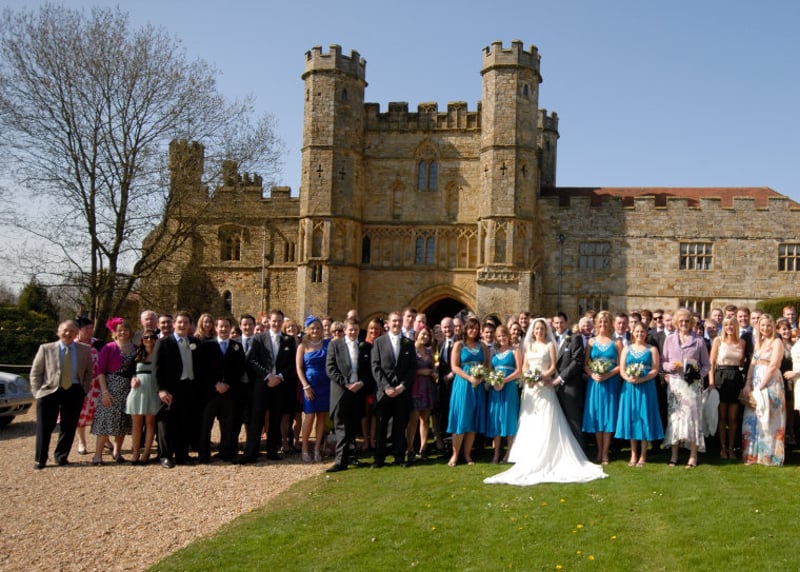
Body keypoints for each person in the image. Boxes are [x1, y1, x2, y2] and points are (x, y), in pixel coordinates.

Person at [484, 317, 607, 486]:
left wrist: (541, 377)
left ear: (545, 330)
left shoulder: (550, 345)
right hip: (530, 390)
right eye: (536, 329)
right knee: (530, 420)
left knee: (546, 420)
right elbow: (525, 366)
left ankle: (549, 454)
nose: (539, 331)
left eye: (542, 329)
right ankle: (529, 455)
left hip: (545, 386)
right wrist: (528, 378)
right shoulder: (528, 345)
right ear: (533, 331)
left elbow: (552, 367)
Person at [30, 320, 94, 469]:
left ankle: (61, 456)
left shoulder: (84, 350)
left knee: (69, 426)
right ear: (59, 332)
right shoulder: (46, 348)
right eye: (65, 330)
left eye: (72, 331)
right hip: (50, 391)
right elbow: (35, 372)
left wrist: (84, 390)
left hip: (74, 390)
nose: (68, 333)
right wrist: (37, 392)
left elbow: (88, 372)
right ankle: (40, 459)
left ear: (76, 333)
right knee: (44, 427)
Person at [243, 309, 297, 462]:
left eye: (279, 321)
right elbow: (252, 360)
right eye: (274, 321)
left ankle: (272, 451)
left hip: (279, 385)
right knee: (257, 419)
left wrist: (280, 377)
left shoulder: (289, 340)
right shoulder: (259, 338)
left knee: (275, 418)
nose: (277, 323)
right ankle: (251, 452)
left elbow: (291, 363)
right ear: (269, 321)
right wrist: (267, 376)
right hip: (262, 384)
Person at [152, 311, 202, 468]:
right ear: (174, 324)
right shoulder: (164, 343)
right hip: (170, 389)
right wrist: (161, 390)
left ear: (190, 325)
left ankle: (182, 455)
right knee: (166, 424)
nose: (182, 325)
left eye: (186, 322)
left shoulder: (195, 342)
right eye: (180, 322)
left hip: (188, 387)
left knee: (185, 422)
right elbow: (156, 368)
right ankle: (166, 456)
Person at [661, 308, 710, 468]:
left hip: (692, 386)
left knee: (692, 420)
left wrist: (698, 375)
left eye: (687, 321)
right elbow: (663, 361)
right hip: (675, 384)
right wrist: (669, 367)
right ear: (676, 322)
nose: (684, 324)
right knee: (675, 419)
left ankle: (693, 455)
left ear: (691, 322)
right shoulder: (669, 339)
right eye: (681, 321)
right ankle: (674, 455)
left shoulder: (699, 341)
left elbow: (706, 365)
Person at [198, 317, 246, 463]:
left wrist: (228, 384)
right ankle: (204, 454)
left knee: (227, 424)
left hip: (228, 392)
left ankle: (225, 452)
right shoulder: (207, 345)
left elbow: (240, 368)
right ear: (216, 328)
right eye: (221, 326)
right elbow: (202, 368)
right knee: (206, 424)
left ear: (230, 328)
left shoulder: (236, 346)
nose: (224, 329)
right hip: (211, 392)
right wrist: (215, 384)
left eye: (226, 326)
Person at [615, 322, 663, 466]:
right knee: (632, 418)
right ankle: (633, 454)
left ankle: (643, 455)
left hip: (646, 388)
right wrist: (628, 378)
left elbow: (655, 370)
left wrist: (642, 378)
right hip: (629, 388)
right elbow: (622, 369)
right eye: (637, 331)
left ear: (646, 333)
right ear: (633, 333)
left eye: (642, 332)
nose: (639, 334)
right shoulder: (626, 349)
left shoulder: (652, 349)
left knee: (644, 417)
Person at [371, 311, 416, 467]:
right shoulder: (379, 342)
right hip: (384, 392)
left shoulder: (408, 343)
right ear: (388, 324)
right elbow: (375, 366)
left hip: (401, 392)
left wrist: (402, 386)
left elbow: (412, 368)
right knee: (381, 426)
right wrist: (386, 387)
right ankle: (379, 459)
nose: (397, 324)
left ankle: (399, 457)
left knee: (400, 425)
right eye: (394, 321)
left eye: (399, 321)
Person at [741, 314, 785, 466]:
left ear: (773, 327)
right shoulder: (760, 342)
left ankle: (769, 456)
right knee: (752, 417)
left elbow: (773, 365)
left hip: (770, 382)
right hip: (755, 381)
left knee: (768, 419)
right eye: (763, 325)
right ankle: (752, 456)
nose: (765, 328)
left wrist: (761, 386)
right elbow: (752, 364)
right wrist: (748, 384)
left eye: (768, 325)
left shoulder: (777, 342)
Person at [446, 316, 489, 466]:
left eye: (476, 329)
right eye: (471, 328)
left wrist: (480, 376)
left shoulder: (482, 346)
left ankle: (467, 454)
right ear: (466, 329)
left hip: (478, 385)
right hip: (463, 385)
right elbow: (454, 366)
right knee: (461, 417)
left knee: (473, 419)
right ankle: (455, 455)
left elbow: (486, 363)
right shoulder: (459, 345)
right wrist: (469, 378)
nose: (473, 331)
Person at [91, 318, 135, 465]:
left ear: (130, 332)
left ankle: (117, 452)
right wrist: (104, 392)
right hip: (111, 387)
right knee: (106, 421)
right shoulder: (109, 348)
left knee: (122, 421)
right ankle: (98, 455)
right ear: (114, 333)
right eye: (119, 330)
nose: (123, 333)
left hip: (128, 389)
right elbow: (100, 371)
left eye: (125, 330)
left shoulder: (135, 348)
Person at [582, 310, 622, 465]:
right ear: (596, 324)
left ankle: (605, 453)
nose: (603, 324)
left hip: (611, 383)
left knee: (608, 416)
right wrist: (593, 374)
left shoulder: (616, 342)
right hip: (595, 384)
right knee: (597, 416)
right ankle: (599, 451)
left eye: (606, 321)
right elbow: (586, 364)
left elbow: (621, 365)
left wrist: (608, 374)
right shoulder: (591, 342)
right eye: (600, 321)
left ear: (610, 323)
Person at [325, 318, 365, 471]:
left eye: (356, 330)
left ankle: (351, 456)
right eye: (350, 329)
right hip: (341, 391)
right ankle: (340, 461)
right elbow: (330, 368)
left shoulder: (363, 346)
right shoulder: (335, 345)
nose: (353, 332)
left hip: (358, 391)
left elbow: (368, 369)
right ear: (345, 330)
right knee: (341, 426)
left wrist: (361, 383)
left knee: (354, 425)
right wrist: (346, 383)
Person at [708, 316, 746, 459]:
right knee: (722, 416)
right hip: (721, 377)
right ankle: (723, 448)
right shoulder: (718, 341)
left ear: (736, 326)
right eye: (726, 325)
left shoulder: (742, 342)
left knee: (733, 417)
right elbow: (711, 363)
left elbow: (742, 362)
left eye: (732, 324)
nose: (729, 327)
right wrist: (711, 382)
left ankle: (731, 448)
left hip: (735, 378)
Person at [296, 316, 331, 463]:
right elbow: (299, 368)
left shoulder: (327, 344)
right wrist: (305, 386)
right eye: (312, 328)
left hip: (325, 384)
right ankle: (305, 448)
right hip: (310, 385)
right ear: (307, 330)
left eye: (318, 328)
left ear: (322, 329)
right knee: (309, 416)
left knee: (322, 416)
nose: (315, 330)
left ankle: (317, 448)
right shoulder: (302, 346)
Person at [485, 325, 521, 463]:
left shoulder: (515, 350)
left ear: (508, 336)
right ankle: (496, 453)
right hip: (495, 388)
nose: (502, 338)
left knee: (509, 417)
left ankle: (508, 453)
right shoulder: (492, 352)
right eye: (499, 336)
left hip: (509, 387)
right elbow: (489, 370)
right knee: (496, 418)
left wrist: (503, 381)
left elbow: (518, 371)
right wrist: (493, 381)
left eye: (504, 335)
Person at [125, 328, 161, 464]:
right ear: (142, 340)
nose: (149, 340)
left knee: (150, 423)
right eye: (146, 337)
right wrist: (132, 379)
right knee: (136, 424)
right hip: (138, 391)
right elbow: (130, 372)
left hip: (153, 390)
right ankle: (135, 453)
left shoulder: (160, 355)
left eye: (152, 337)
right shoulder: (137, 354)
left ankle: (146, 453)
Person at [552, 312, 586, 450]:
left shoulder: (575, 338)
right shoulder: (551, 338)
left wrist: (560, 378)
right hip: (552, 386)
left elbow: (577, 362)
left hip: (569, 385)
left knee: (573, 420)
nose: (559, 325)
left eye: (561, 322)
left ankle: (579, 452)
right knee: (556, 421)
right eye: (556, 323)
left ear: (567, 323)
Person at [74, 315, 104, 455]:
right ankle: (82, 441)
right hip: (81, 384)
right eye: (86, 328)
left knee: (100, 413)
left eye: (91, 328)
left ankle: (104, 440)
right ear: (79, 330)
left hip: (98, 384)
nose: (89, 331)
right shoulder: (74, 344)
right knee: (81, 413)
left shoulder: (98, 343)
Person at [407, 327, 437, 462]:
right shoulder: (411, 350)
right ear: (417, 335)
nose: (425, 337)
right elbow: (406, 369)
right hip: (415, 387)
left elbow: (433, 366)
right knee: (413, 420)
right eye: (423, 334)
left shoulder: (429, 351)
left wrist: (434, 372)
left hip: (428, 387)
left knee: (425, 420)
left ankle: (423, 448)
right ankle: (410, 449)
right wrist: (420, 372)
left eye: (428, 335)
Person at [358, 318, 383, 451]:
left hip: (378, 384)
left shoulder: (382, 345)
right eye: (372, 328)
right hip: (365, 384)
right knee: (364, 414)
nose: (374, 331)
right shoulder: (363, 345)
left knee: (375, 413)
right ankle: (365, 440)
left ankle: (372, 439)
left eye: (376, 329)